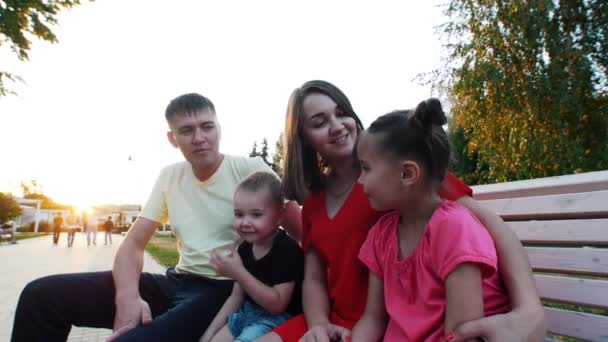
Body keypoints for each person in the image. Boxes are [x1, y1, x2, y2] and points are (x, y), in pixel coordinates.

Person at [258, 80, 545, 342]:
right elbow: (315, 278)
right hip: (346, 324)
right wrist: (318, 325)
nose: (337, 125)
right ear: (304, 138)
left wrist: (530, 311)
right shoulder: (317, 202)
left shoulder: (402, 170)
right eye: (320, 122)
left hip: (396, 323)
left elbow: (488, 224)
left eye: (341, 112)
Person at [11, 93, 302, 342]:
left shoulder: (250, 169)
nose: (200, 138)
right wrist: (127, 296)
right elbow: (133, 244)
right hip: (175, 281)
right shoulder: (169, 177)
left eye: (207, 127)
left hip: (223, 289)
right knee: (40, 296)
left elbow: (301, 231)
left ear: (219, 129)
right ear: (172, 138)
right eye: (187, 130)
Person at [351, 99, 511, 341]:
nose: (360, 181)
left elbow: (463, 335)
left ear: (407, 174)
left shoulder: (455, 230)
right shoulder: (381, 234)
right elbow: (373, 320)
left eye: (366, 168)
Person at [200, 172, 304, 342]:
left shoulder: (286, 250)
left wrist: (239, 272)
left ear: (279, 215)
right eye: (239, 214)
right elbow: (236, 297)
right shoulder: (244, 249)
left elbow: (277, 305)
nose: (245, 222)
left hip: (278, 321)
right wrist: (209, 333)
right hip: (247, 314)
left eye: (256, 215)